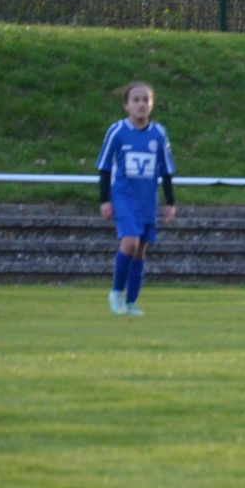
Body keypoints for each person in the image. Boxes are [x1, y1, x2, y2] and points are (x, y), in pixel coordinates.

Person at [96, 82, 177, 316]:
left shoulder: (158, 133)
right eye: (136, 100)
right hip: (123, 197)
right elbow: (104, 167)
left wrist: (170, 203)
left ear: (151, 105)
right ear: (126, 106)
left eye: (145, 100)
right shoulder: (117, 131)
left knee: (141, 250)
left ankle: (131, 302)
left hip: (147, 200)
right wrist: (104, 199)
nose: (141, 104)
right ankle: (116, 292)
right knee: (130, 242)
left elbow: (166, 171)